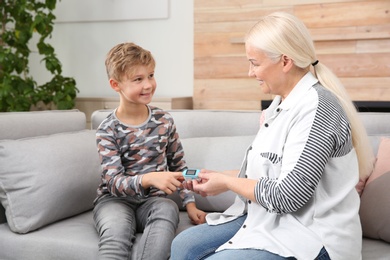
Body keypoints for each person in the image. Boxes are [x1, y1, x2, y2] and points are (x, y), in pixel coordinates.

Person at [171, 12, 374, 260]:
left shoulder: (318, 109)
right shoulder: (279, 106)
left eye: (255, 63)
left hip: (314, 235)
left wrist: (226, 183)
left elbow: (288, 195)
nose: (250, 72)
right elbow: (271, 174)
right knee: (183, 246)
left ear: (285, 61)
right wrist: (217, 176)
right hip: (270, 220)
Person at [93, 42, 206, 260]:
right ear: (115, 84)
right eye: (138, 79)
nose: (148, 85)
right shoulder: (107, 130)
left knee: (167, 210)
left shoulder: (164, 120)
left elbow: (179, 167)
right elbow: (114, 182)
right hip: (113, 201)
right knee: (115, 238)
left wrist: (190, 203)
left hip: (155, 202)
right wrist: (149, 179)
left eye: (151, 75)